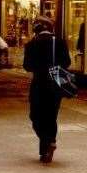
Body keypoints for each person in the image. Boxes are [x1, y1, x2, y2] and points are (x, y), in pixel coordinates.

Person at [24, 16, 71, 164]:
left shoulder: (31, 44)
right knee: (51, 116)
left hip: (39, 84)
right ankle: (49, 144)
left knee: (36, 116)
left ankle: (47, 143)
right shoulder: (60, 42)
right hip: (56, 84)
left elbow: (27, 66)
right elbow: (67, 62)